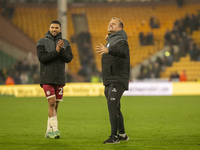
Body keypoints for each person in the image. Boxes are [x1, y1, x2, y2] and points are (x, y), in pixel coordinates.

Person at [95, 17, 130, 144]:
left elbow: (123, 52)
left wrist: (109, 49)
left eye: (113, 24)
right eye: (109, 23)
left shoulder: (121, 41)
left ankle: (114, 137)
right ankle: (122, 134)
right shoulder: (112, 40)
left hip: (118, 79)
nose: (110, 24)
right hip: (109, 79)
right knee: (115, 108)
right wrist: (109, 42)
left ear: (120, 28)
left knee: (112, 107)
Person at [36, 20, 73, 139]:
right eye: (52, 27)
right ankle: (55, 130)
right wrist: (56, 51)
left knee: (55, 105)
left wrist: (61, 49)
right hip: (47, 77)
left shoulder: (66, 43)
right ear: (49, 28)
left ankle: (48, 131)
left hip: (60, 78)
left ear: (60, 29)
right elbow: (42, 58)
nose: (54, 29)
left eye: (57, 27)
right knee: (51, 102)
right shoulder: (42, 42)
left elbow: (68, 59)